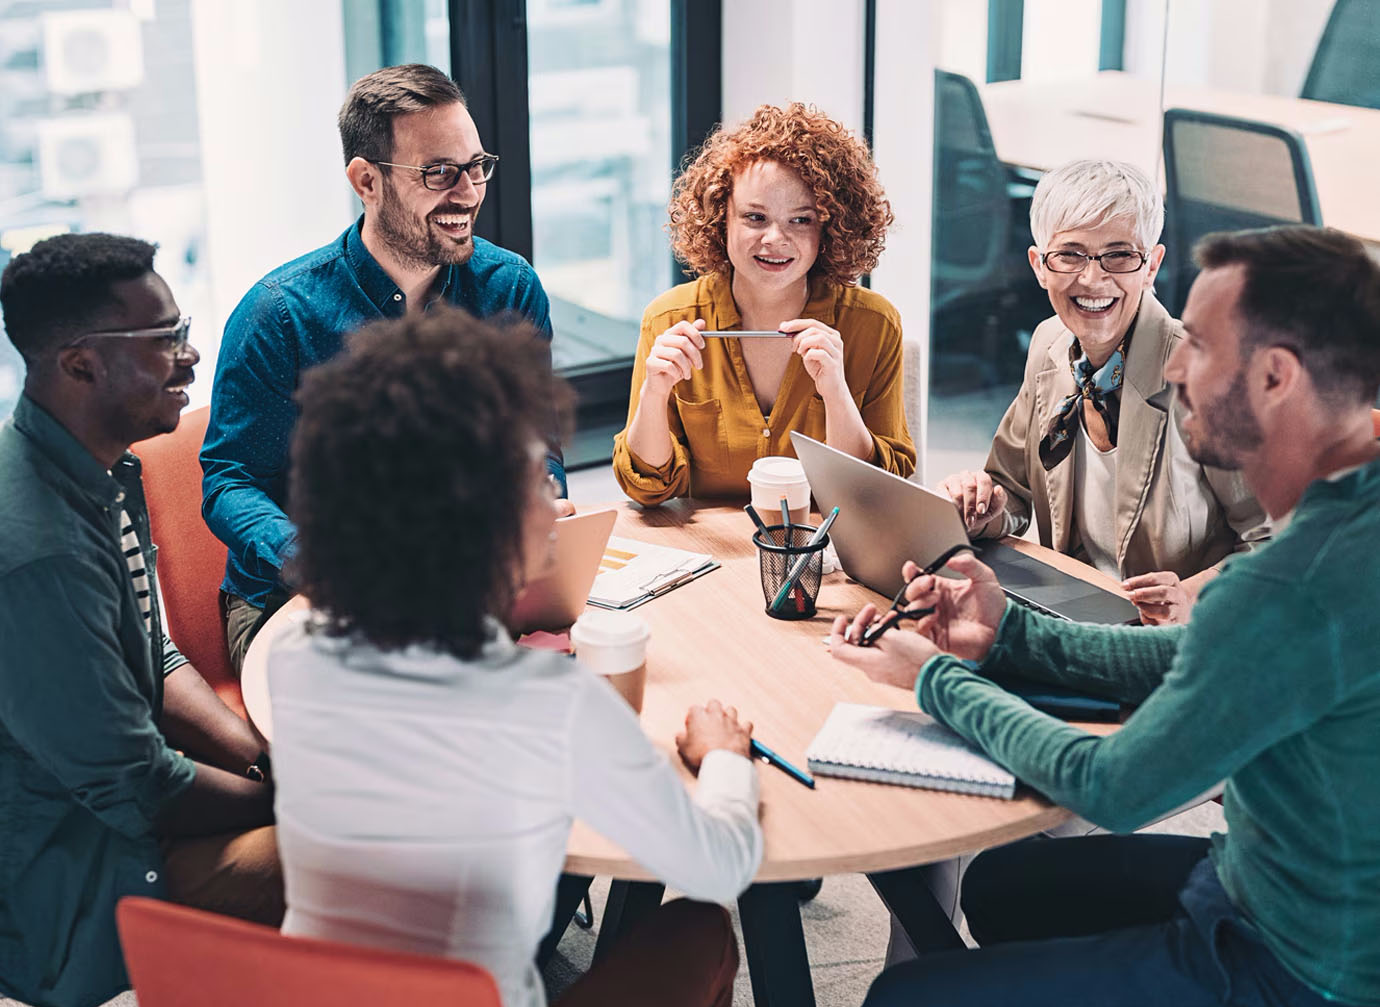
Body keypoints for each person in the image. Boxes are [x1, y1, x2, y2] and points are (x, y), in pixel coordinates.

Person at [831, 225, 1380, 1007]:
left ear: (1274, 376)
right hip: (1272, 883)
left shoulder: (1288, 584)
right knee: (1001, 885)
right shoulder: (1348, 515)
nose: (1173, 364)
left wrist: (933, 680)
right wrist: (1008, 631)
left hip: (1300, 979)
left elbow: (1115, 785)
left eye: (1194, 341)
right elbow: (1202, 656)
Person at [265, 306, 762, 1007]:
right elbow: (720, 864)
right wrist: (724, 762)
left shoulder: (295, 655)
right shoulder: (550, 703)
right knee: (702, 928)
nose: (554, 502)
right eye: (535, 479)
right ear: (478, 519)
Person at [201, 63, 570, 676]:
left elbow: (540, 446)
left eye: (477, 167)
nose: (470, 192)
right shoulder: (280, 314)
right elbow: (228, 481)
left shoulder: (509, 288)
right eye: (439, 173)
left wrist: (539, 495)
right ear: (366, 181)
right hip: (296, 598)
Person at [0, 233, 282, 1007]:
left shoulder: (100, 467)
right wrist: (296, 801)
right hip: (75, 866)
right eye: (166, 340)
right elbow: (137, 786)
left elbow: (149, 653)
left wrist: (261, 756)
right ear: (80, 364)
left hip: (119, 804)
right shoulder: (37, 552)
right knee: (372, 851)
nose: (191, 357)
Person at [938, 159, 1267, 626]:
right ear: (1039, 266)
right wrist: (978, 507)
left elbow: (1280, 542)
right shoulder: (1048, 344)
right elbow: (1010, 490)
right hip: (1072, 616)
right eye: (1070, 254)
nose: (1093, 280)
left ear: (1151, 265)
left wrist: (1195, 597)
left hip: (1177, 642)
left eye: (1119, 255)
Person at [613, 102, 916, 505]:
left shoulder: (874, 325)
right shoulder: (669, 320)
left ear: (830, 226)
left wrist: (835, 392)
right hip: (712, 555)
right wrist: (654, 393)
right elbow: (648, 487)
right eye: (755, 218)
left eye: (801, 220)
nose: (775, 239)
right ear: (720, 218)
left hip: (824, 555)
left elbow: (877, 493)